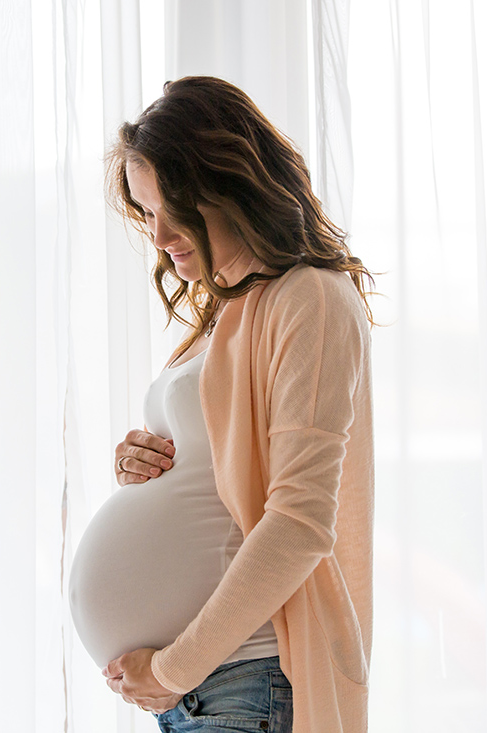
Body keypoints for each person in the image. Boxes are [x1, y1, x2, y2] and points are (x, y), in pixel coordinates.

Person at [87, 76, 375, 733]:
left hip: (247, 675)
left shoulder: (311, 298)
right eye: (144, 212)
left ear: (225, 184)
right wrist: (142, 462)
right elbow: (223, 477)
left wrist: (172, 669)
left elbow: (301, 520)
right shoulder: (225, 312)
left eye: (167, 208)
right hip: (210, 687)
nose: (156, 235)